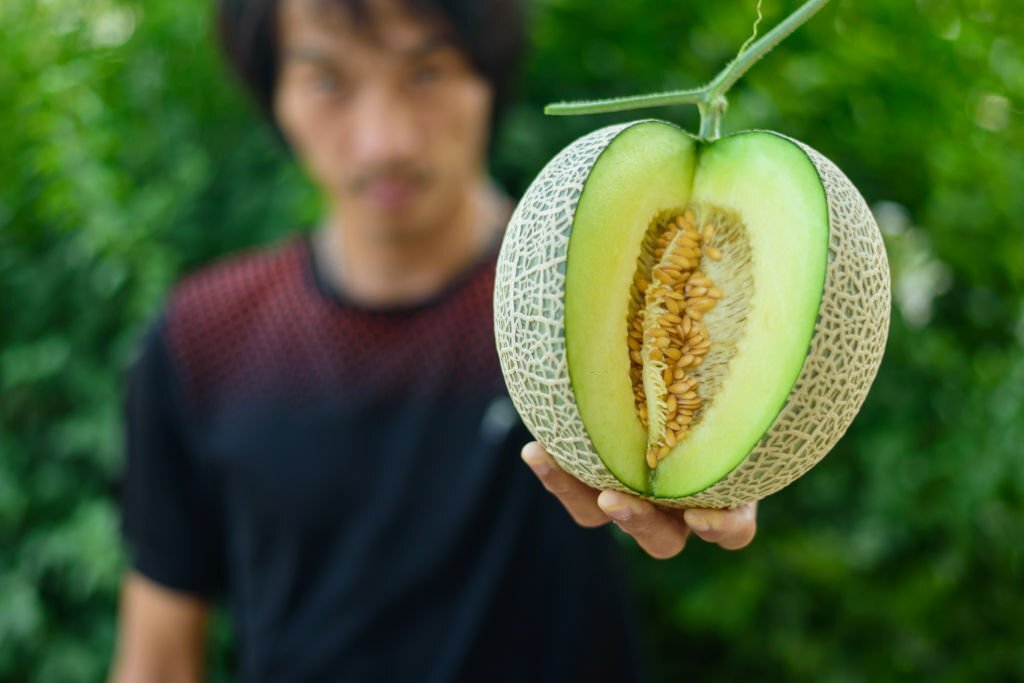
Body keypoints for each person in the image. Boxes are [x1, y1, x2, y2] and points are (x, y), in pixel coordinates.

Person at [108, 0, 758, 680]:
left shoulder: (600, 294)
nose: (384, 140)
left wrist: (731, 459)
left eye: (426, 73)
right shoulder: (204, 338)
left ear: (487, 82)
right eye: (328, 81)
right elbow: (155, 659)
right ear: (275, 96)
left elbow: (719, 360)